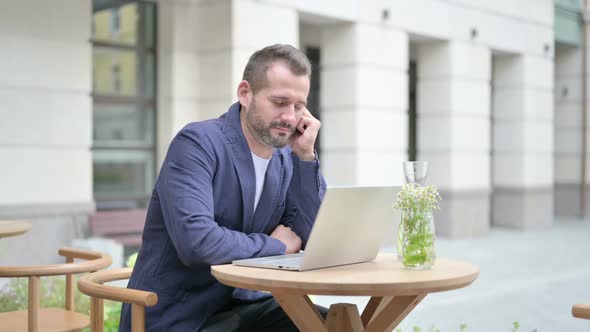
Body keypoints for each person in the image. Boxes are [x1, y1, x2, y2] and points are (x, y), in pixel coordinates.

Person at [119, 44, 327, 331]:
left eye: (299, 106)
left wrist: (306, 158)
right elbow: (198, 241)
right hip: (180, 313)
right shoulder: (197, 143)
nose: (291, 118)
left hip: (246, 303)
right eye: (280, 102)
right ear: (245, 93)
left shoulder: (287, 158)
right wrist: (277, 246)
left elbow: (316, 237)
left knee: (331, 324)